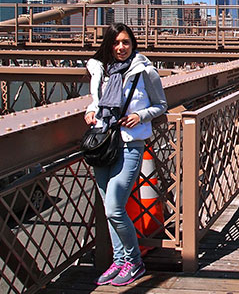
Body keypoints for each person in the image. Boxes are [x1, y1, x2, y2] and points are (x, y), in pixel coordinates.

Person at [84, 23, 167, 286]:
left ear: (133, 44)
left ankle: (134, 262)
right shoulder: (101, 70)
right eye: (116, 42)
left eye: (126, 42)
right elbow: (97, 100)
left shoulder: (145, 71)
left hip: (131, 144)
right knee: (111, 209)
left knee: (114, 207)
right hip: (103, 144)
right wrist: (90, 111)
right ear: (109, 44)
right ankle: (118, 261)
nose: (121, 47)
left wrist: (139, 115)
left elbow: (161, 105)